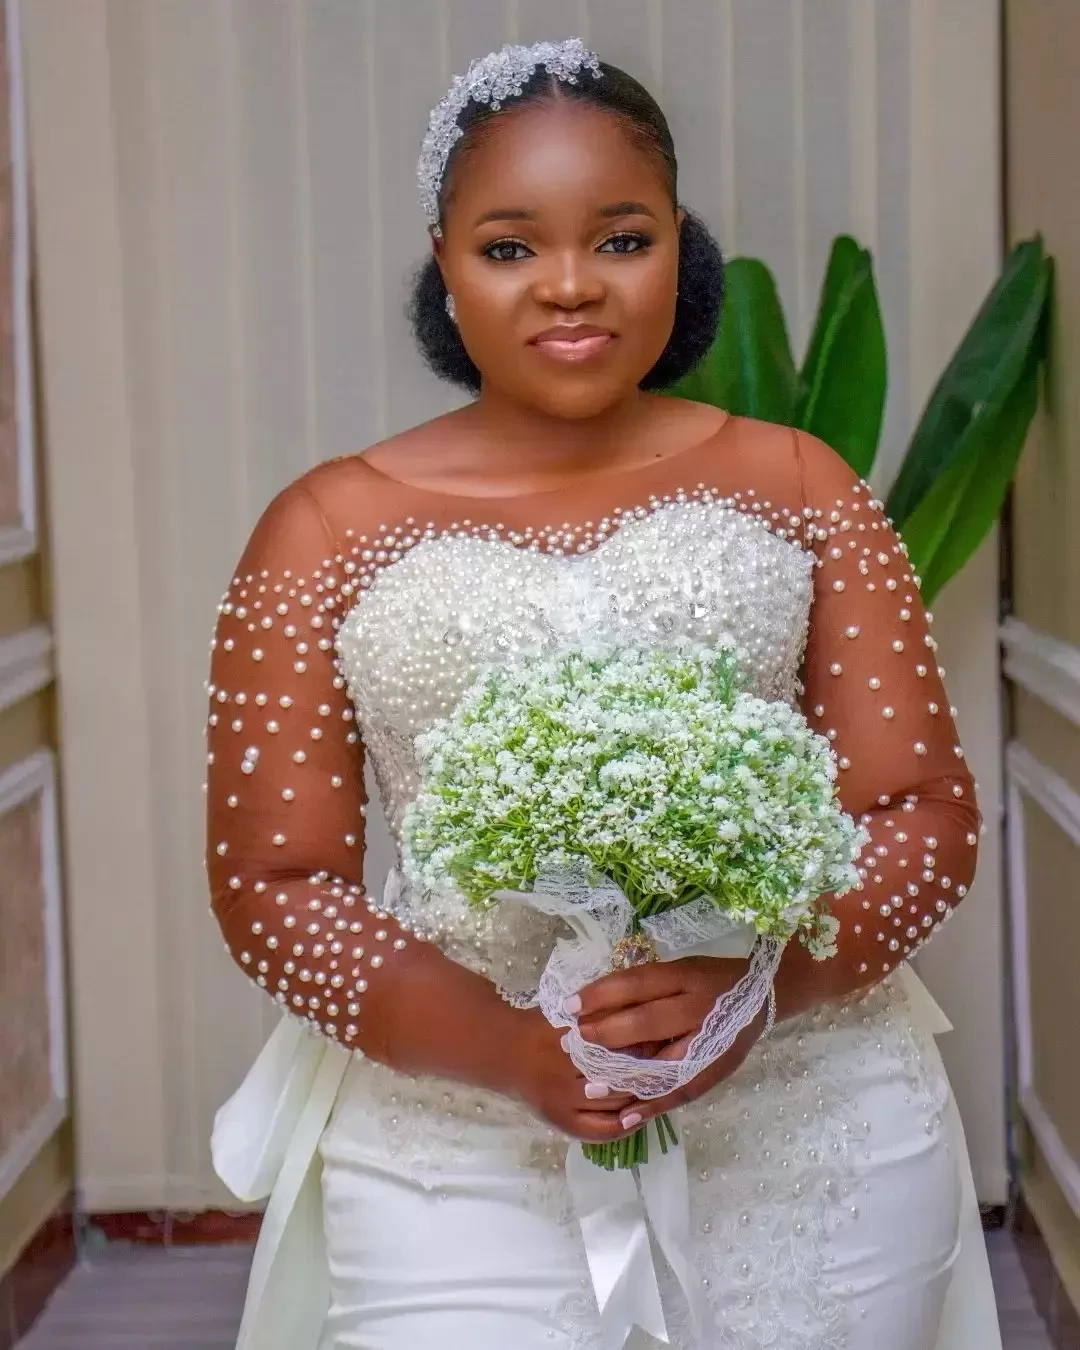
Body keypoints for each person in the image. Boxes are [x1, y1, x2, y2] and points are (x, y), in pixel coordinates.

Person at [207, 39, 1002, 1350]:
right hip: (456, 1121)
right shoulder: (320, 526)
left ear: (676, 247)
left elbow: (921, 811)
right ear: (443, 263)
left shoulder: (801, 484)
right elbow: (275, 888)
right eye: (510, 247)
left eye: (619, 237)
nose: (569, 284)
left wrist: (755, 992)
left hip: (814, 1103)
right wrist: (518, 1050)